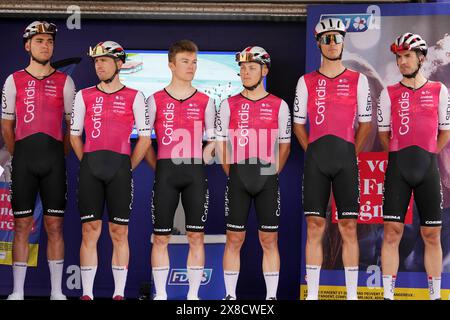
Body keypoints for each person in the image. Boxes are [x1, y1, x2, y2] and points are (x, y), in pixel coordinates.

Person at [293, 18, 372, 300]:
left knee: (349, 226)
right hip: (316, 160)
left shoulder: (358, 79)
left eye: (336, 38)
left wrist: (351, 152)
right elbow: (299, 124)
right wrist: (311, 150)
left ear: (343, 41)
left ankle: (352, 295)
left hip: (345, 160)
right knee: (315, 226)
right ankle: (312, 294)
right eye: (326, 39)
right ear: (318, 43)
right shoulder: (306, 82)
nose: (332, 43)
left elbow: (366, 123)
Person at [70, 41, 151, 300]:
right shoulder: (83, 95)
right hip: (90, 169)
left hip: (120, 171)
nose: (99, 65)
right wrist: (88, 162)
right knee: (89, 231)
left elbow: (146, 139)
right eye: (96, 61)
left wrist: (127, 167)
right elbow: (74, 136)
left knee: (119, 232)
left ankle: (118, 293)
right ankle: (87, 294)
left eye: (104, 60)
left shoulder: (135, 96)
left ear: (118, 63)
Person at [1, 21, 75, 300]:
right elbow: (7, 126)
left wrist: (59, 155)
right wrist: (19, 155)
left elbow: (71, 128)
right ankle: (17, 291)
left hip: (54, 162)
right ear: (27, 45)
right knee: (21, 225)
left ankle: (57, 291)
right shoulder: (13, 79)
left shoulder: (65, 81)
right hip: (23, 162)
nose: (47, 46)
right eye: (40, 41)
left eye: (50, 41)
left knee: (54, 225)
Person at [215, 46, 291, 300]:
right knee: (234, 239)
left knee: (269, 240)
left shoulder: (279, 105)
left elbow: (285, 145)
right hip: (238, 177)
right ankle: (229, 296)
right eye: (243, 68)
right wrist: (233, 173)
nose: (245, 73)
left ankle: (271, 297)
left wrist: (271, 173)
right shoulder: (228, 104)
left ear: (264, 70)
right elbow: (221, 144)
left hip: (266, 179)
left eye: (252, 68)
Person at [378, 32, 450, 300]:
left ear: (421, 58)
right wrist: (399, 156)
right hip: (398, 169)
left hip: (428, 169)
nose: (402, 62)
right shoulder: (389, 93)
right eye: (398, 57)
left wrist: (428, 154)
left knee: (432, 234)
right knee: (391, 232)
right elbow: (384, 134)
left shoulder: (439, 91)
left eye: (407, 56)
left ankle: (435, 295)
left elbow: (445, 131)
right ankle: (388, 295)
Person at [145, 40, 215, 300]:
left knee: (196, 236)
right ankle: (161, 295)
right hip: (166, 173)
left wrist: (199, 160)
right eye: (185, 61)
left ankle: (193, 296)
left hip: (195, 175)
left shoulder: (206, 101)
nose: (191, 67)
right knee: (160, 237)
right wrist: (160, 167)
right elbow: (144, 141)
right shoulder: (154, 100)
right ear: (171, 65)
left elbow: (215, 139)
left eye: (194, 62)